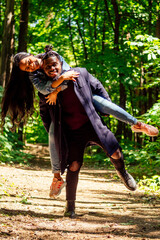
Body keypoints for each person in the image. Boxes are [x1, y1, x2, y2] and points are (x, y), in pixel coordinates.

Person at [1, 48, 159, 200]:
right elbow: (45, 89)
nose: (31, 66)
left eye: (29, 61)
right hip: (60, 110)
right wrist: (56, 88)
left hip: (81, 96)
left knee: (106, 105)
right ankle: (57, 177)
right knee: (52, 134)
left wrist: (55, 88)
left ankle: (137, 124)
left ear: (30, 54)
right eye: (27, 68)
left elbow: (72, 77)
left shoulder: (52, 55)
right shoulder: (34, 76)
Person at [34, 50, 156, 218]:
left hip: (92, 123)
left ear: (61, 63)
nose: (52, 68)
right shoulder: (47, 90)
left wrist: (105, 107)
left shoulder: (80, 73)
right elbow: (44, 113)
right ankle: (70, 207)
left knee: (115, 152)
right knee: (74, 166)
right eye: (47, 67)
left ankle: (123, 173)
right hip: (72, 133)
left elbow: (97, 86)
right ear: (44, 71)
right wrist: (53, 132)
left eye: (54, 64)